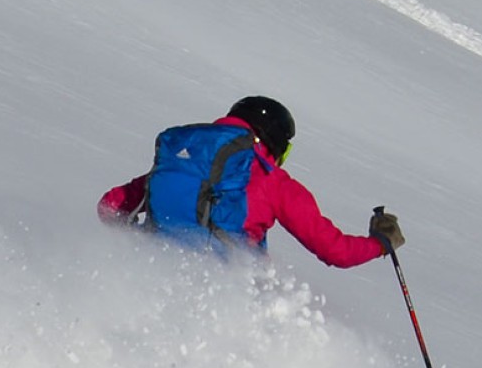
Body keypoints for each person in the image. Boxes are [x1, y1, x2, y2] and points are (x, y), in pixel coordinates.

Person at [99, 95, 403, 268]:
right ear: (277, 144)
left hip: (151, 275)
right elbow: (336, 252)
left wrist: (138, 239)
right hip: (224, 295)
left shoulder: (182, 164)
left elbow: (110, 206)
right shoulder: (275, 183)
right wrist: (381, 243)